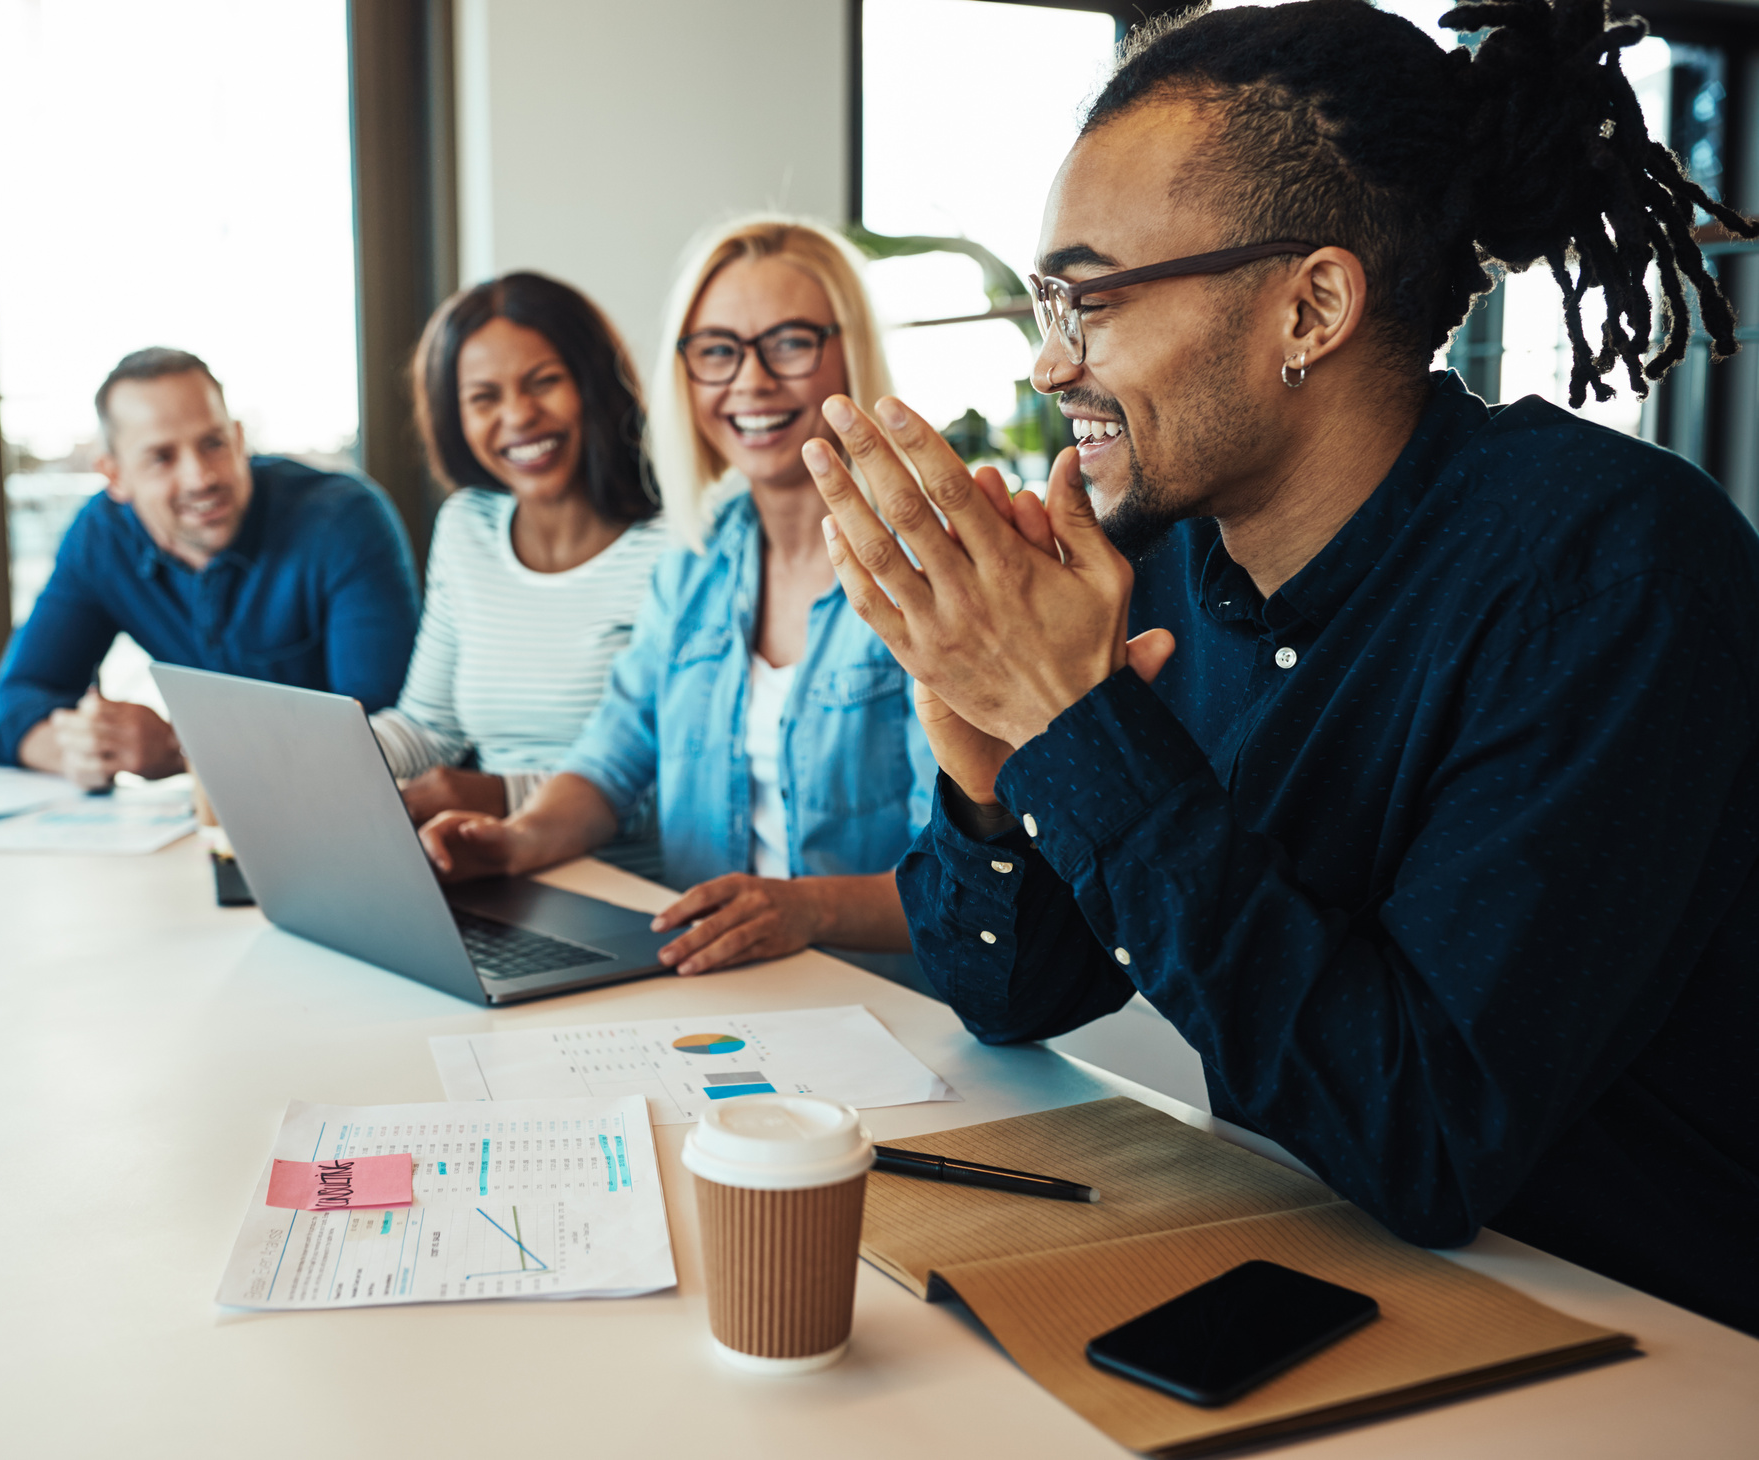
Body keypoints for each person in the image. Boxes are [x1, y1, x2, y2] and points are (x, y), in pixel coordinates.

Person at [810, 0, 1759, 1334]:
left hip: (1646, 1340)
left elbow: (1425, 1137)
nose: (1046, 361)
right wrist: (983, 755)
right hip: (1328, 1280)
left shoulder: (1610, 577)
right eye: (1043, 304)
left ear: (1309, 306)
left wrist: (1072, 718)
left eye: (1087, 301)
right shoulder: (1166, 571)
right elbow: (1012, 992)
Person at [420, 218, 937, 980]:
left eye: (789, 343)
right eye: (718, 352)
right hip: (712, 985)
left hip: (897, 1009)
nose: (751, 382)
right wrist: (516, 840)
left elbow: (972, 872)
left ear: (849, 350)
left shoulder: (927, 570)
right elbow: (611, 755)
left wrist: (809, 908)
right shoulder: (696, 559)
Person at [0, 347, 420, 786]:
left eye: (213, 443)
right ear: (114, 475)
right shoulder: (101, 536)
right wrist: (84, 751)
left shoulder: (343, 521)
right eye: (162, 457)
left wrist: (179, 749)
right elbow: (12, 706)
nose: (201, 478)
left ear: (239, 438)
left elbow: (384, 733)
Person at [371, 272, 671, 840]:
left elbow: (685, 778)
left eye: (544, 382)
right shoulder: (467, 528)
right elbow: (429, 728)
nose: (518, 416)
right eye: (484, 398)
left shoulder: (674, 544)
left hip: (626, 868)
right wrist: (321, 758)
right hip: (490, 854)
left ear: (594, 386)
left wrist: (502, 794)